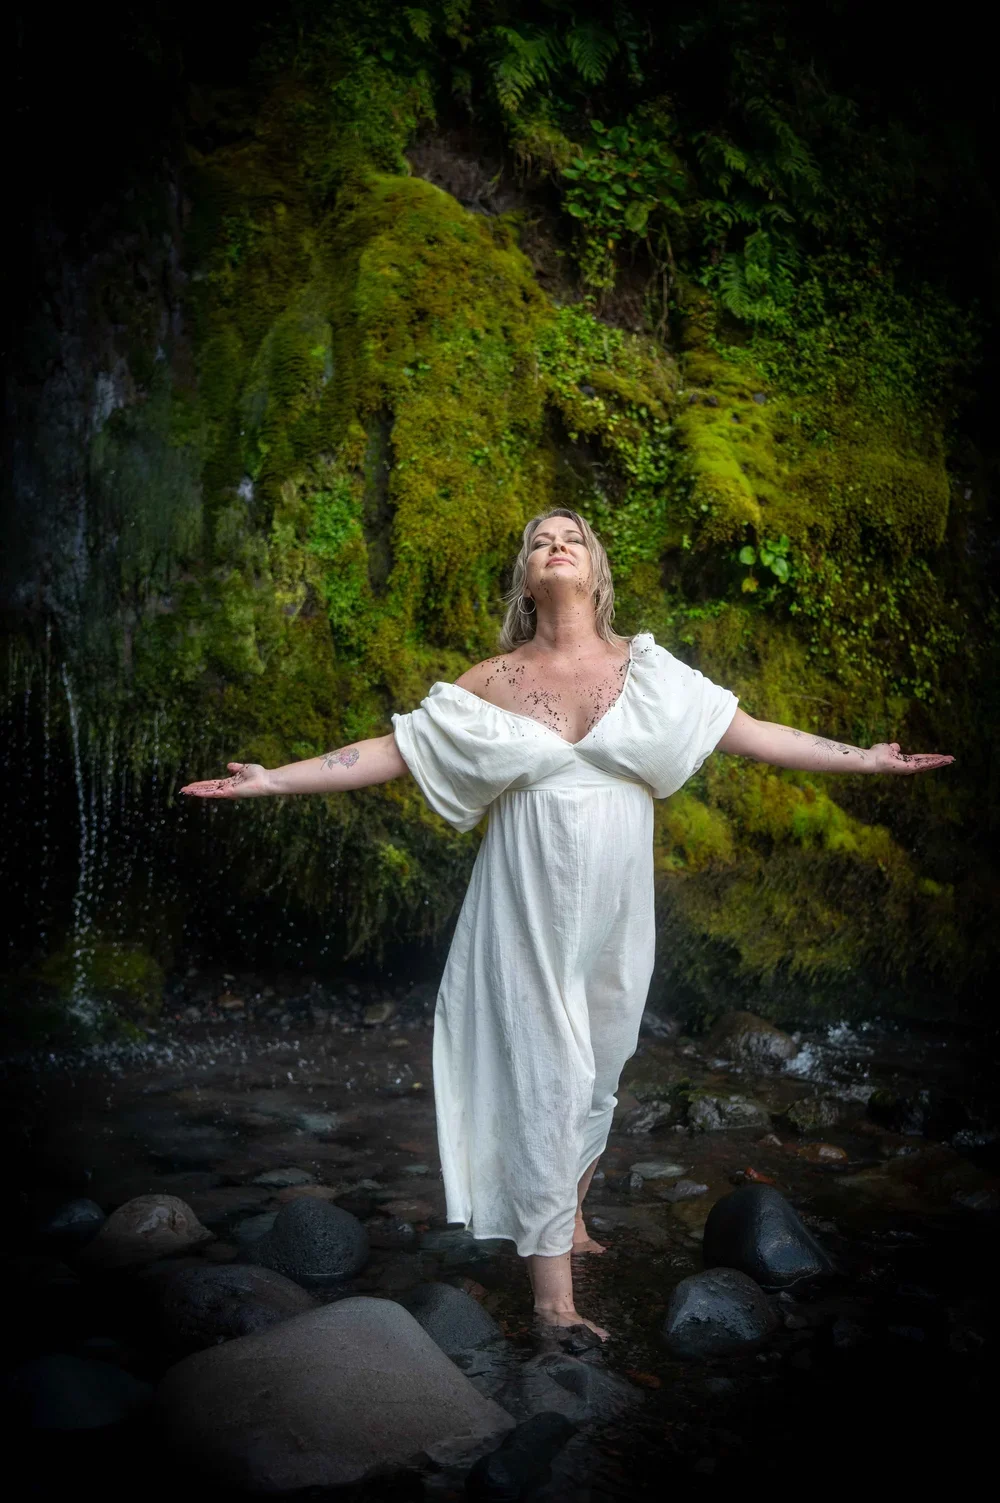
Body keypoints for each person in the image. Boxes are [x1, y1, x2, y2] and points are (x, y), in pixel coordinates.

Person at [180, 507, 954, 1340]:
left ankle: (570, 1212)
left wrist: (866, 759)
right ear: (526, 575)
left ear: (596, 570)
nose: (556, 545)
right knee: (549, 1064)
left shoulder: (649, 671)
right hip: (524, 902)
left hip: (619, 907)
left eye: (571, 538)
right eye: (540, 540)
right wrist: (273, 782)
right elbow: (391, 750)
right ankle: (553, 1297)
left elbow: (755, 734)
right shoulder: (490, 680)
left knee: (601, 1064)